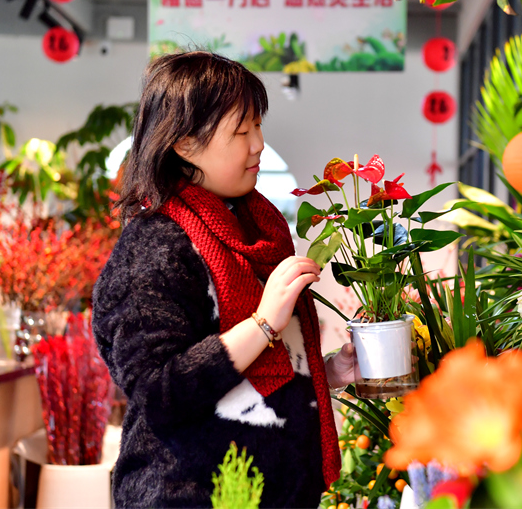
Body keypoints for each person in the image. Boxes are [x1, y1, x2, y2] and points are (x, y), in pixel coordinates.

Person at [92, 51, 356, 508]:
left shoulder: (255, 231)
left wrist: (325, 372)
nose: (258, 144)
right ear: (185, 144)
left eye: (258, 126)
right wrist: (263, 323)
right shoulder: (156, 244)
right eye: (241, 131)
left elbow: (253, 371)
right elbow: (158, 392)